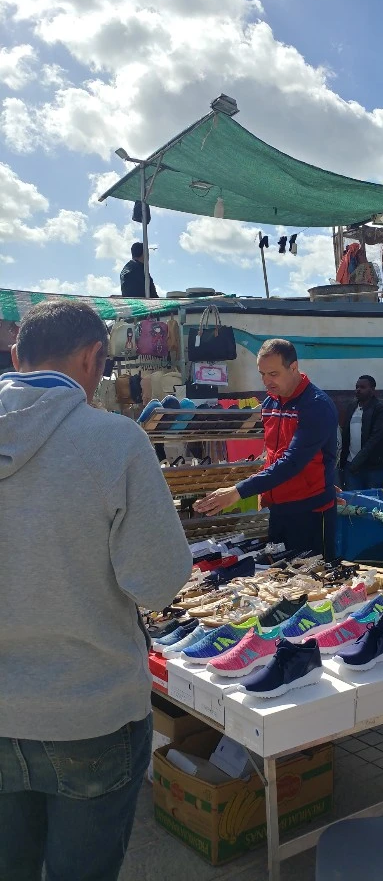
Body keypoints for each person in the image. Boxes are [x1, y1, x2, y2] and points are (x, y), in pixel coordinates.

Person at [0, 301, 192, 881]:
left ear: (16, 356)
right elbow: (158, 583)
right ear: (92, 358)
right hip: (91, 712)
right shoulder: (114, 441)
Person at [195, 339, 339, 562]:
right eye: (262, 374)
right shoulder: (270, 404)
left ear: (293, 367)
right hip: (277, 510)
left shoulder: (316, 405)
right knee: (277, 576)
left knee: (314, 577)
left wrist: (238, 491)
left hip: (310, 511)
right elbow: (273, 455)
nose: (266, 381)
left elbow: (292, 462)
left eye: (273, 374)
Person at [340, 375, 383, 491]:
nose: (358, 390)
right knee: (352, 500)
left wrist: (358, 461)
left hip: (373, 467)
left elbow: (375, 438)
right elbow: (346, 435)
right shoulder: (352, 407)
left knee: (372, 499)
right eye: (357, 387)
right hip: (351, 465)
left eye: (362, 387)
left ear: (372, 390)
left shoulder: (380, 409)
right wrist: (343, 463)